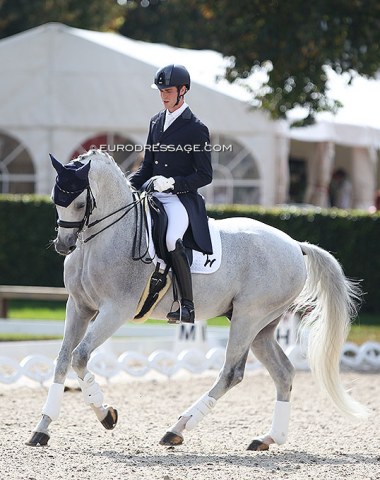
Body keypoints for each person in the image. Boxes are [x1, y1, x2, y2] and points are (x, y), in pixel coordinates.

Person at [129, 64, 213, 324]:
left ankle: (187, 305)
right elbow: (146, 167)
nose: (164, 95)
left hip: (179, 198)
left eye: (168, 90)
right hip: (152, 192)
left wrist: (173, 183)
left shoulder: (196, 128)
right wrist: (128, 185)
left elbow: (204, 175)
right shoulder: (155, 121)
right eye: (161, 90)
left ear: (183, 90)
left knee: (171, 239)